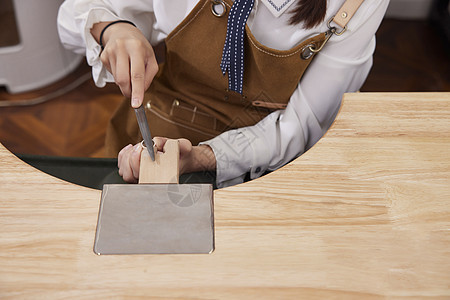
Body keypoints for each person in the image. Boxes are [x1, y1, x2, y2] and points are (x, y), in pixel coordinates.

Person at [58, 0, 390, 188]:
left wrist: (203, 158)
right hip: (151, 135)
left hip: (262, 171)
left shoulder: (355, 5)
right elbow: (74, 16)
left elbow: (304, 125)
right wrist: (112, 29)